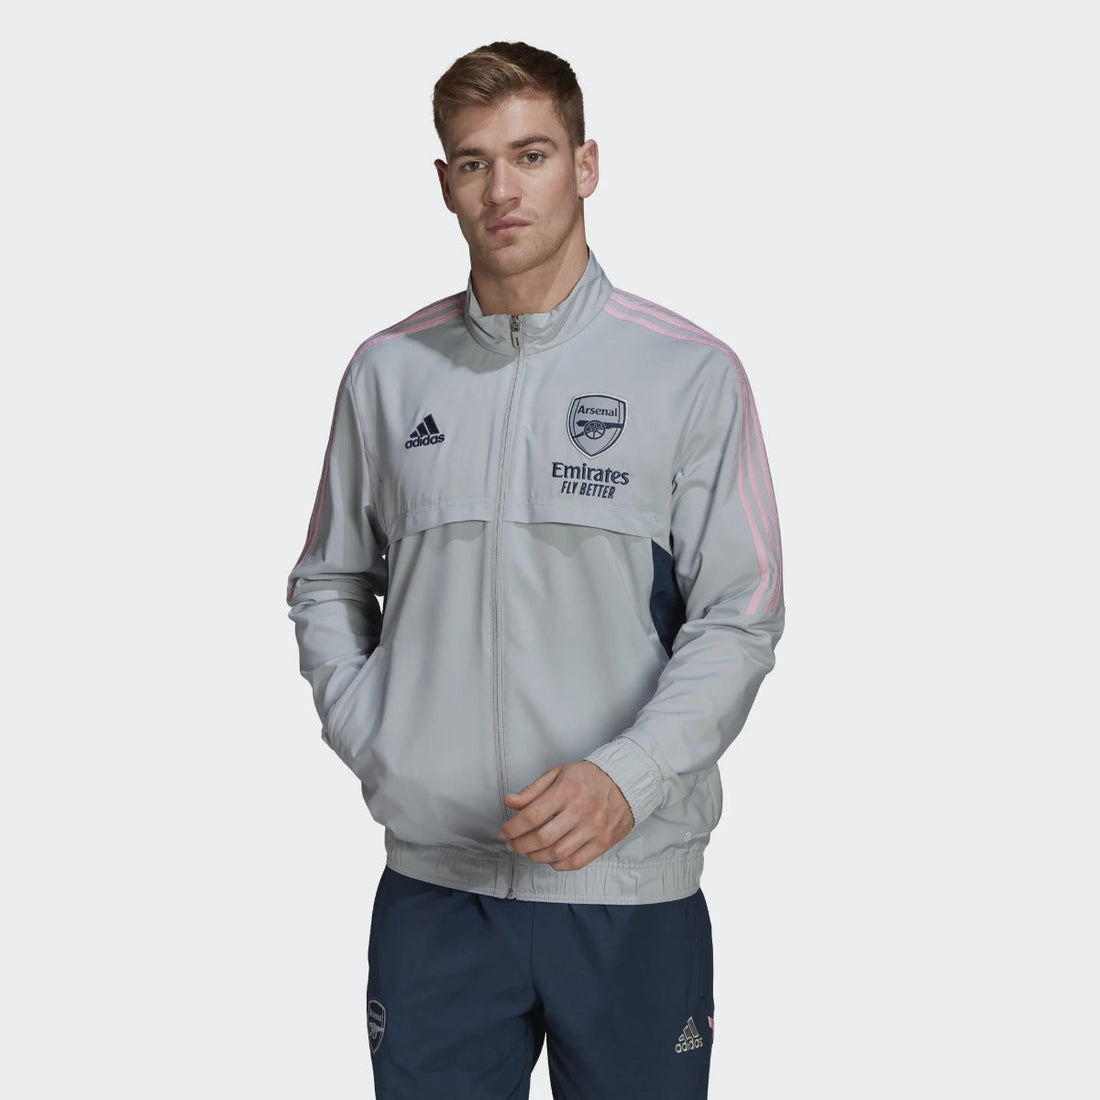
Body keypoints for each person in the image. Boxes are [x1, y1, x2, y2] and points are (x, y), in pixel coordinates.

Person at [287, 40, 783, 1100]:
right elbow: (328, 580)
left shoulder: (688, 373)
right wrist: (379, 739)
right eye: (473, 163)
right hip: (436, 893)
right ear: (444, 184)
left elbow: (738, 615)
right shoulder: (386, 373)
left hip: (628, 889)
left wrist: (628, 777)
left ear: (585, 165)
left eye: (531, 154)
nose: (501, 190)